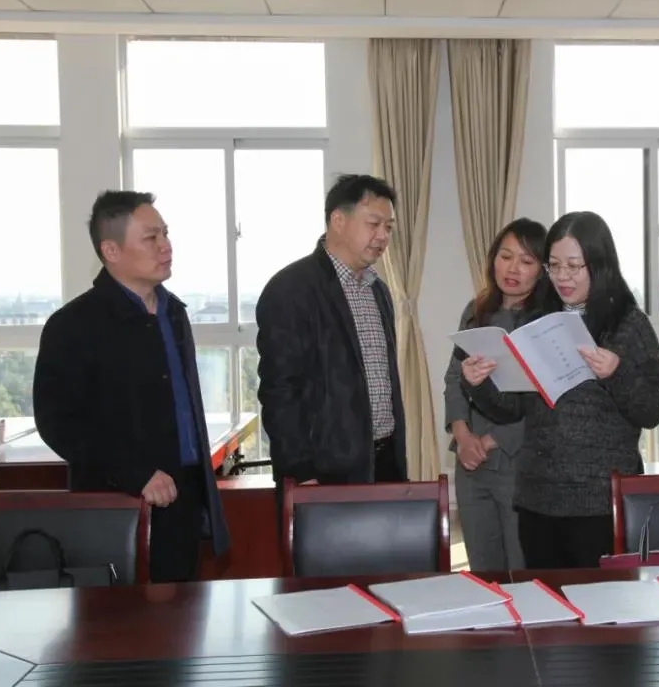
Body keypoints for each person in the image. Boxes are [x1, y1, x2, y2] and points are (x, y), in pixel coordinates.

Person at [33, 190, 230, 583]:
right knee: (120, 620)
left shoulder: (174, 313)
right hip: (118, 505)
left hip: (183, 501)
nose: (165, 245)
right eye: (151, 237)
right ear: (111, 250)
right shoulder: (73, 325)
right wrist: (134, 473)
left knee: (183, 616)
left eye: (166, 234)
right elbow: (58, 423)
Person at [460, 211, 659, 570]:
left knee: (599, 600)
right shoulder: (537, 320)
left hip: (600, 502)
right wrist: (477, 384)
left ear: (599, 265)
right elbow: (512, 409)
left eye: (574, 266)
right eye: (554, 266)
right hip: (537, 498)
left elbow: (653, 409)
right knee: (544, 600)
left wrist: (616, 373)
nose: (562, 276)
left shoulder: (628, 324)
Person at [256, 174, 406, 496]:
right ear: (338, 220)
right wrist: (300, 472)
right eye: (374, 224)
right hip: (323, 473)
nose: (383, 236)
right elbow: (280, 392)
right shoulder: (291, 289)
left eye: (389, 227)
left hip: (384, 464)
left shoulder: (378, 290)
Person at [444, 218, 548, 572]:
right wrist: (462, 435)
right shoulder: (476, 310)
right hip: (471, 464)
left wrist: (488, 442)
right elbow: (454, 377)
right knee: (484, 572)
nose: (513, 268)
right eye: (505, 256)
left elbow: (544, 402)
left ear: (541, 270)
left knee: (522, 570)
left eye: (526, 261)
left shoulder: (544, 322)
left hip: (519, 464)